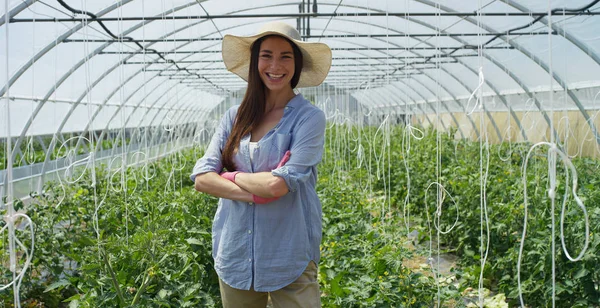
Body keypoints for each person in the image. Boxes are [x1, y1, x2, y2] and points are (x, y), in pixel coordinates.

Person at [190, 21, 332, 308]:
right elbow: (202, 178)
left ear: (297, 63)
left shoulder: (308, 119)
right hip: (235, 252)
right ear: (256, 61)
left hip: (289, 253)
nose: (275, 65)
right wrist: (254, 191)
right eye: (266, 55)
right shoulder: (234, 116)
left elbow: (277, 185)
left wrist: (228, 176)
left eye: (285, 56)